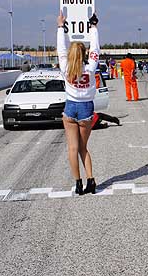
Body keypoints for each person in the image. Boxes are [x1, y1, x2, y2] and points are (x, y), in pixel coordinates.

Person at [57, 10, 99, 195]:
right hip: (86, 109)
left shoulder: (65, 68)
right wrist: (94, 27)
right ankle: (91, 180)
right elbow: (96, 49)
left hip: (70, 107)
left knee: (72, 148)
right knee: (84, 148)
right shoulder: (90, 68)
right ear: (84, 54)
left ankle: (78, 183)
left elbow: (61, 49)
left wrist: (60, 27)